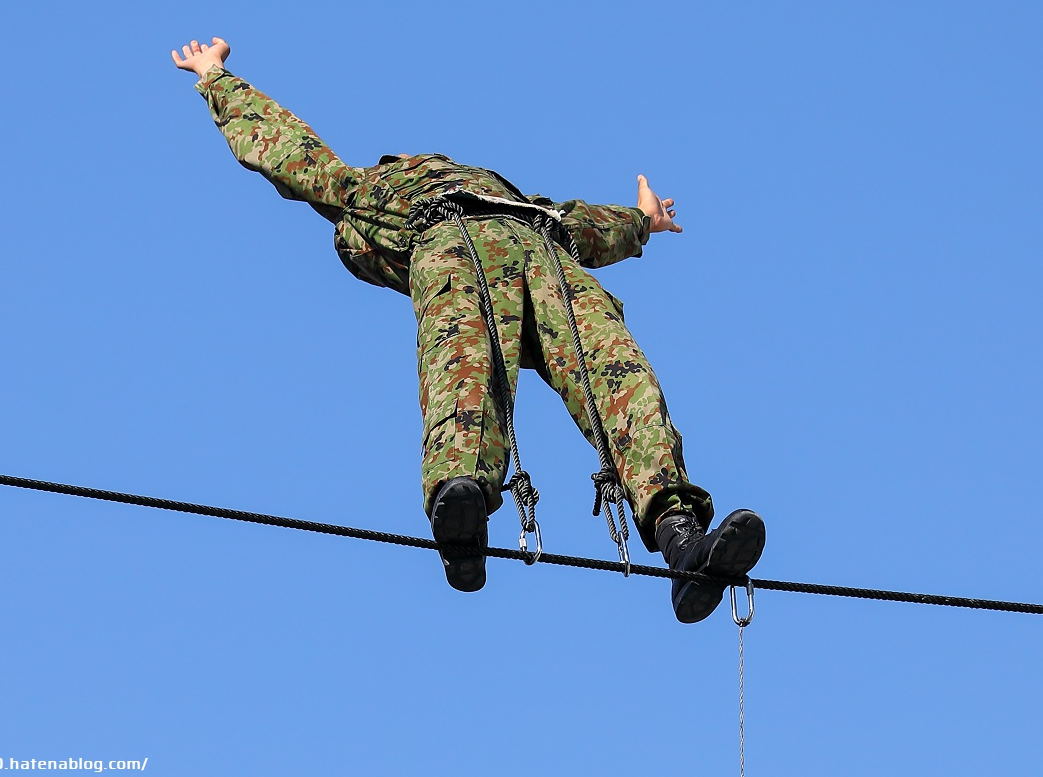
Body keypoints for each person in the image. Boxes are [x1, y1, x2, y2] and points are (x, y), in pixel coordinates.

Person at [172, 37, 765, 622]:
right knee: (470, 364)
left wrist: (640, 221)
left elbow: (577, 223)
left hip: (539, 250)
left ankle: (681, 539)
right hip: (460, 245)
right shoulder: (378, 193)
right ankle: (463, 508)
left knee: (615, 374)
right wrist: (216, 79)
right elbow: (289, 151)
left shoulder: (507, 203)